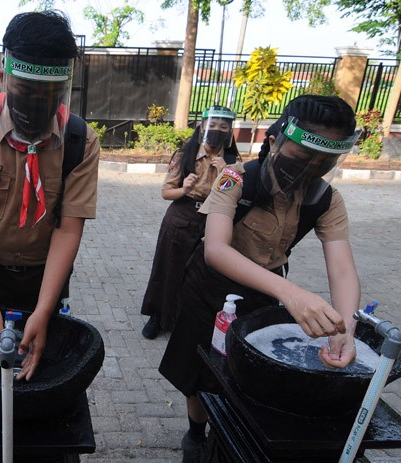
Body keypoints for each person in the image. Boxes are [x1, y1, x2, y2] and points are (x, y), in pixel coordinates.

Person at [158, 95, 363, 463]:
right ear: (274, 142)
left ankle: (230, 429)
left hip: (264, 293)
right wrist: (292, 294)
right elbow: (216, 249)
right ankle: (195, 432)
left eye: (323, 164)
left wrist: (345, 327)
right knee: (200, 368)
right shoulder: (236, 177)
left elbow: (342, 267)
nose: (308, 172)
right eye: (301, 159)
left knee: (244, 373)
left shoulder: (326, 200)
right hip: (211, 288)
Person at [0, 10, 100, 381]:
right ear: (3, 76)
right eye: (25, 91)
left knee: (41, 372)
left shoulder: (79, 142)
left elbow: (68, 228)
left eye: (49, 95)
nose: (36, 105)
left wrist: (44, 310)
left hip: (47, 277)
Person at [139, 106, 239, 339]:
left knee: (202, 273)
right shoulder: (185, 155)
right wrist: (185, 188)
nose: (217, 130)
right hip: (181, 217)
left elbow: (235, 195)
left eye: (223, 127)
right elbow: (166, 192)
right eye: (212, 125)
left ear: (229, 131)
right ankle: (157, 316)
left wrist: (226, 174)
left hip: (215, 220)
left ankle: (187, 320)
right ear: (201, 126)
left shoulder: (233, 160)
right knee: (168, 267)